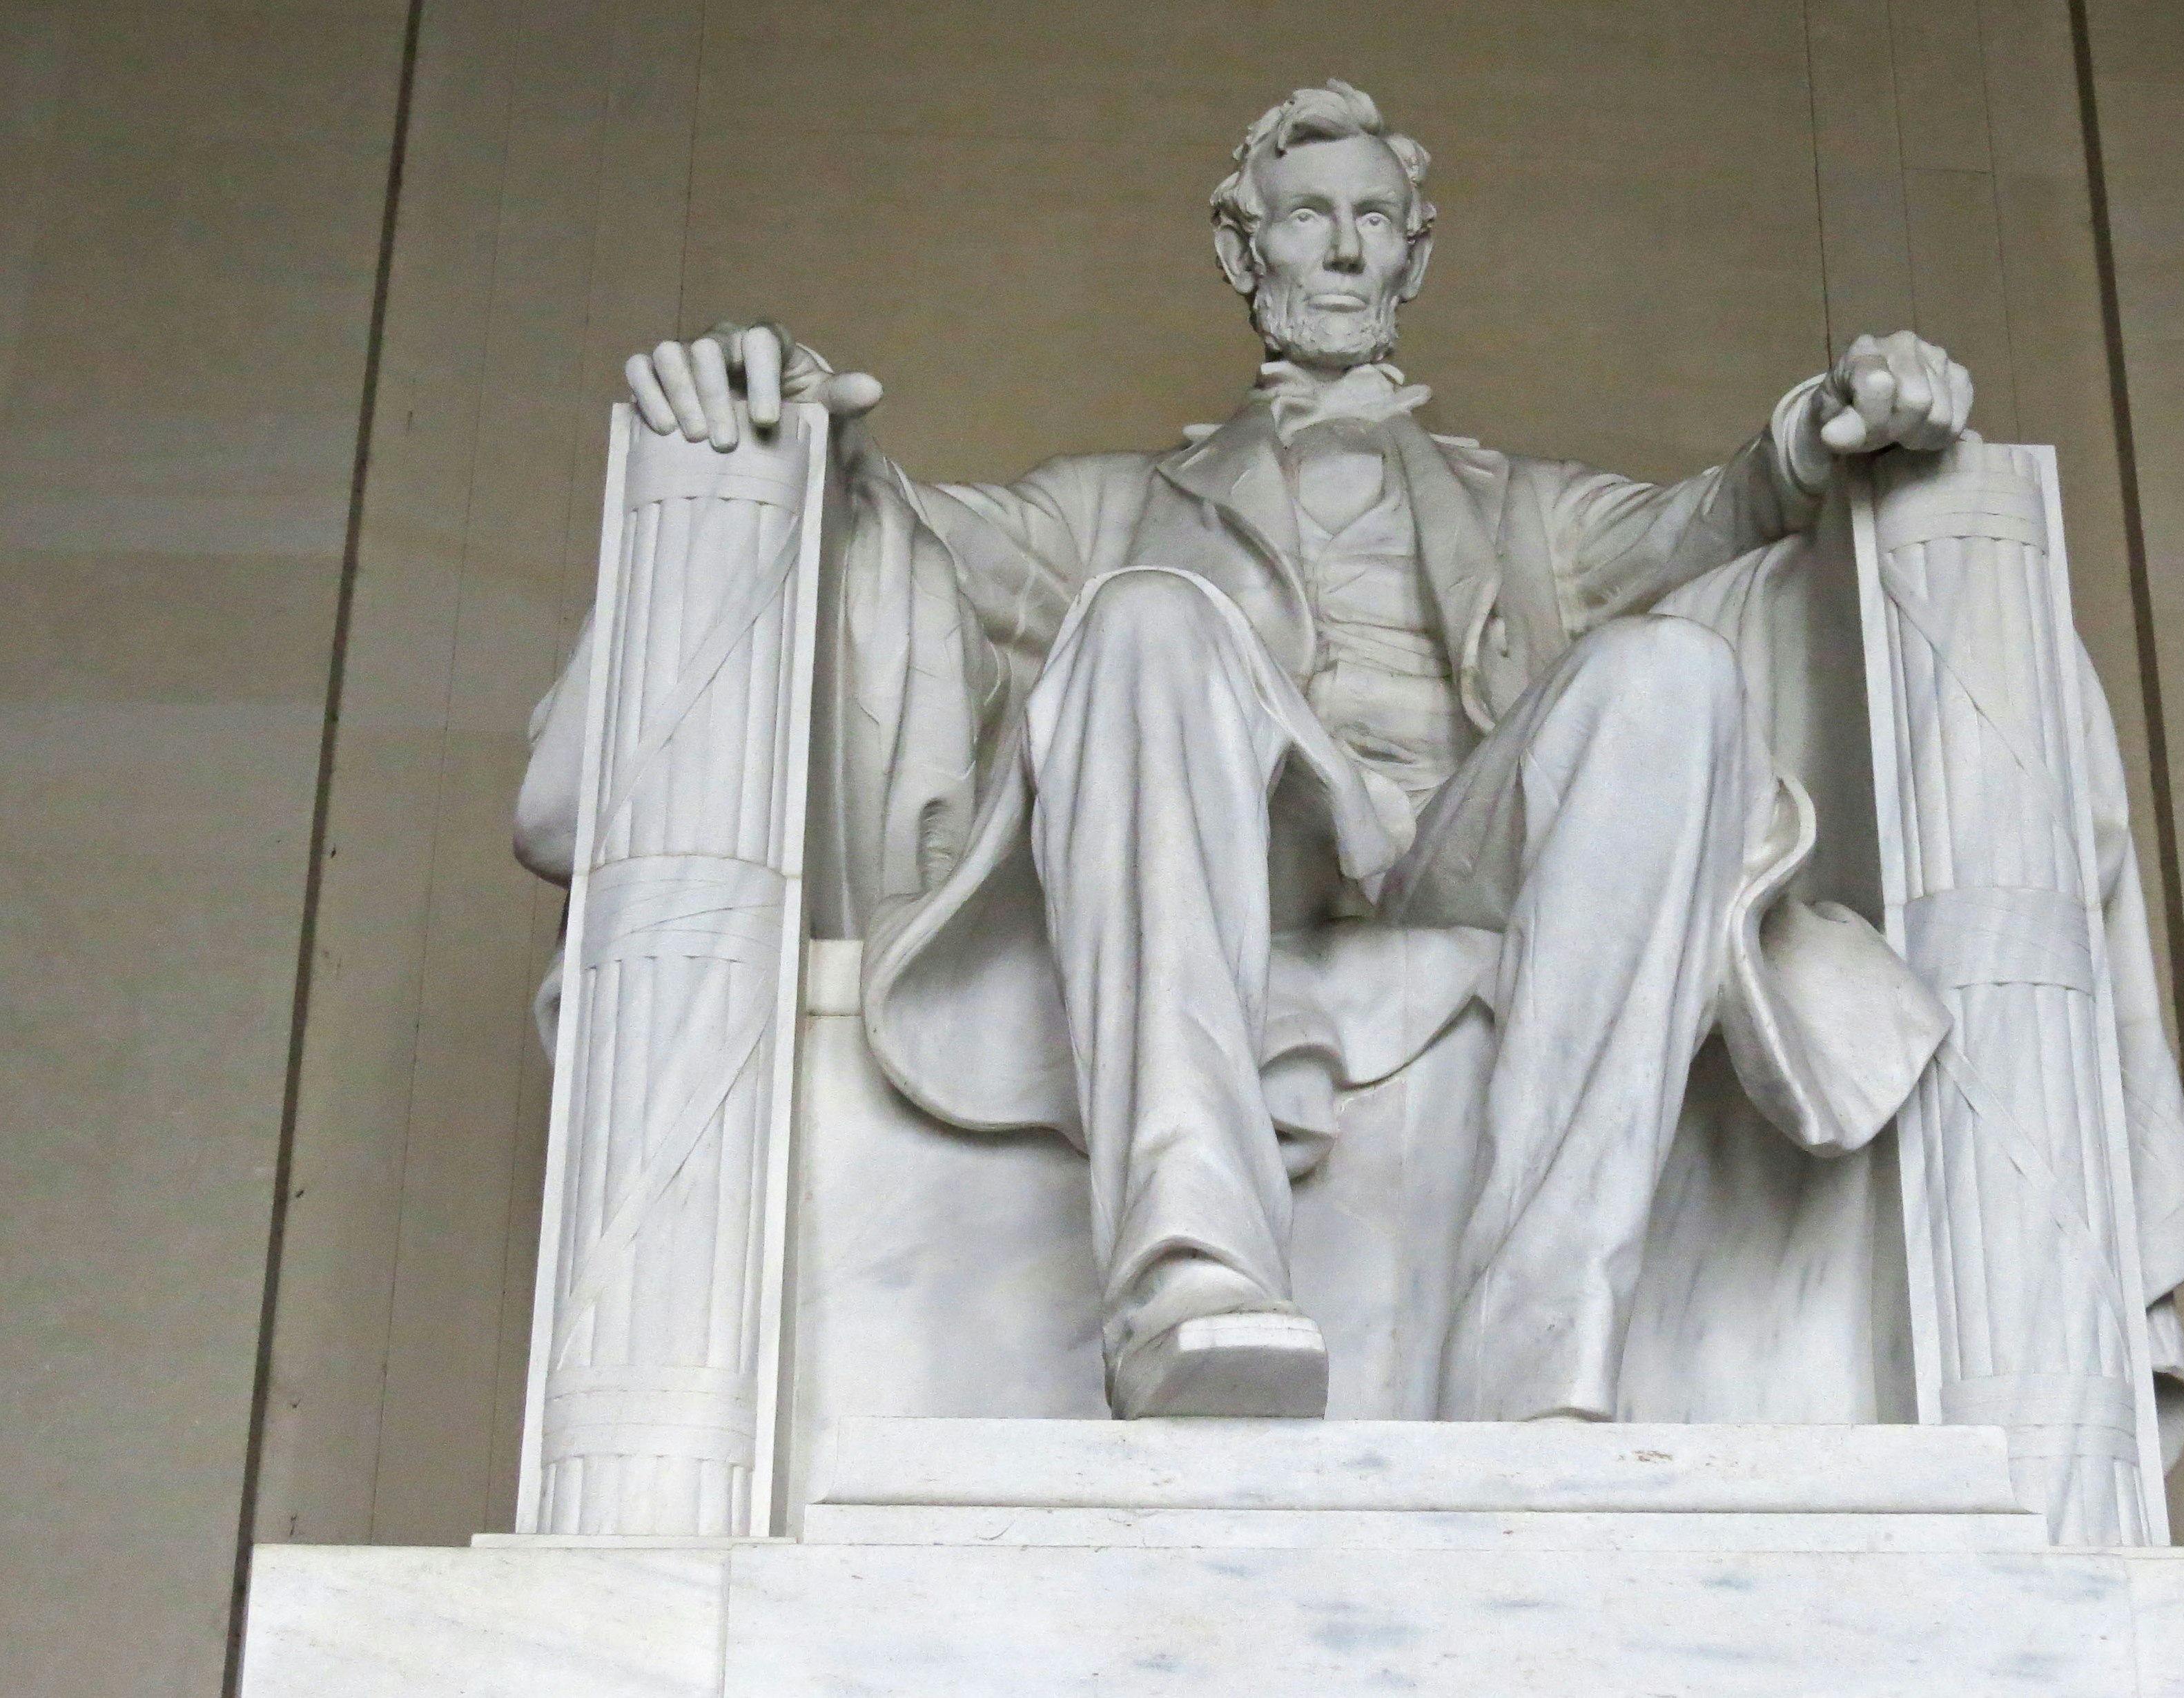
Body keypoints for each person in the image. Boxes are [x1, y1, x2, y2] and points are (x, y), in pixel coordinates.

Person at [532, 81, 1982, 1423]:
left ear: (1415, 254)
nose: (1342, 250)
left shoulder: (1528, 510)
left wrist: (1822, 431)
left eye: (1373, 220)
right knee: (1152, 619)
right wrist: (794, 425)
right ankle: (1190, 1278)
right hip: (1262, 834)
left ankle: (1541, 1346)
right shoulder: (1107, 508)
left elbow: (1712, 520)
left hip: (1466, 849)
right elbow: (901, 531)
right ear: (1244, 251)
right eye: (1307, 215)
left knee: (1670, 671)